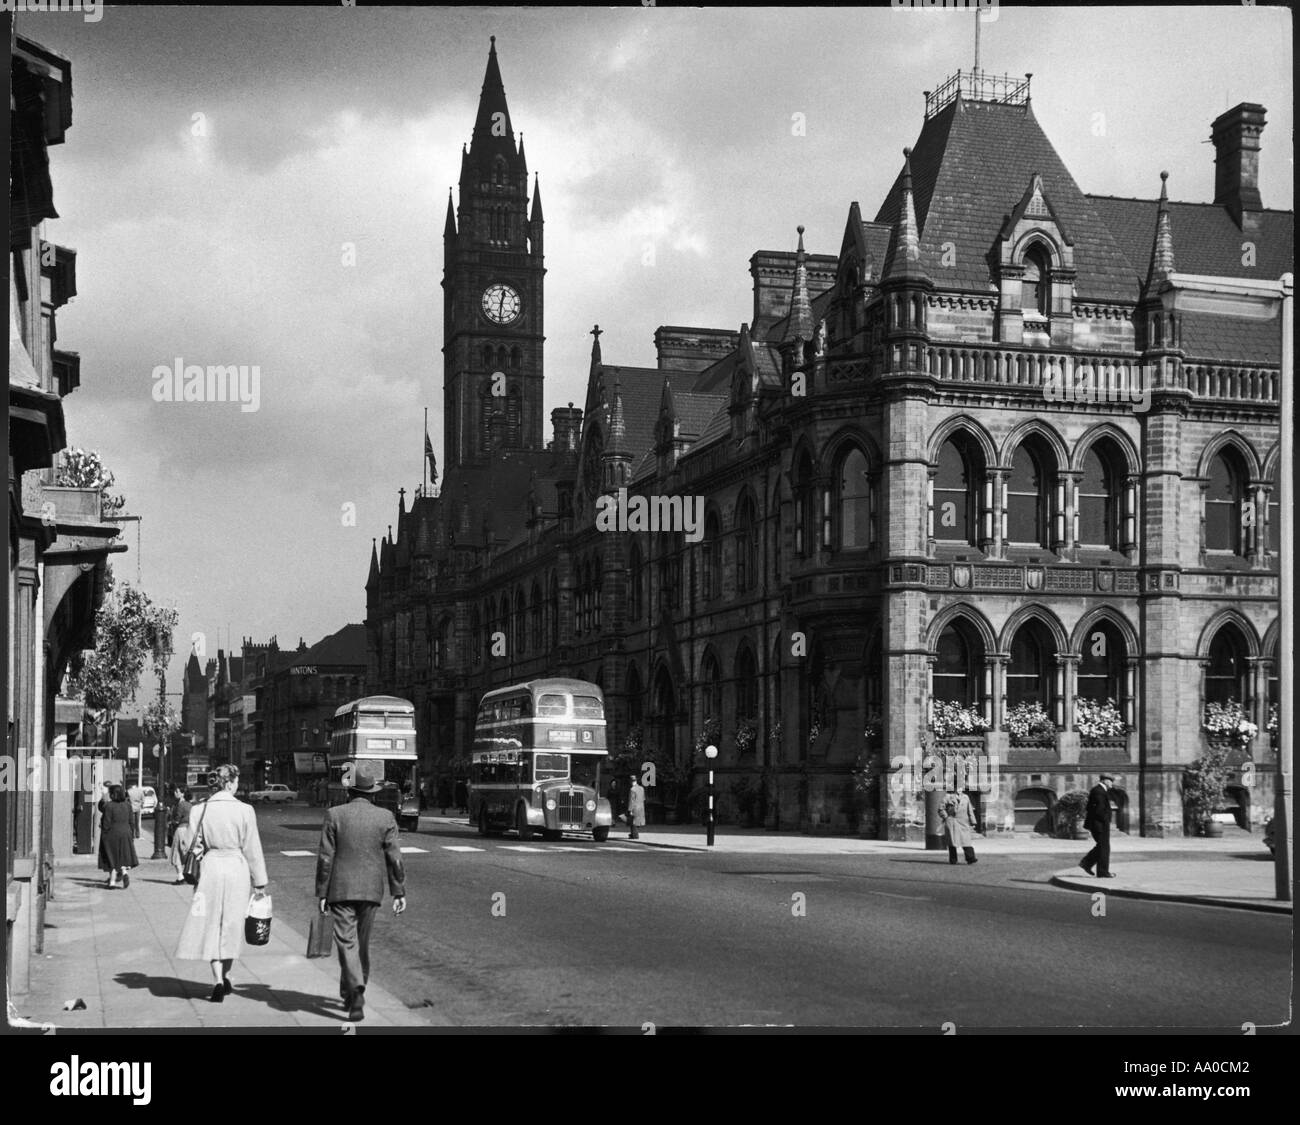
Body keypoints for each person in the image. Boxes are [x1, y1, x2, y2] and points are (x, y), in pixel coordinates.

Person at [315, 760, 406, 1022]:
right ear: (372, 793)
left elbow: (325, 858)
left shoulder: (335, 815)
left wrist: (322, 892)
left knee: (346, 943)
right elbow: (395, 858)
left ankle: (354, 991)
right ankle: (353, 990)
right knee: (361, 944)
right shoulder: (385, 817)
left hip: (340, 888)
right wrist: (398, 891)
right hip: (371, 890)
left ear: (349, 791)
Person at [174, 765, 269, 1003]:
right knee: (232, 923)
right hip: (236, 867)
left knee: (211, 923)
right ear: (230, 783)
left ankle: (217, 979)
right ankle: (226, 975)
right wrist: (260, 881)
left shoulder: (200, 809)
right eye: (236, 782)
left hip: (211, 868)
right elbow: (252, 848)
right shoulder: (246, 810)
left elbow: (190, 844)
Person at [97, 784, 139, 888]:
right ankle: (124, 873)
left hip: (112, 833)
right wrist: (131, 834)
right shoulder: (127, 805)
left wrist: (104, 833)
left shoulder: (109, 806)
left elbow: (106, 823)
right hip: (126, 832)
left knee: (112, 856)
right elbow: (131, 822)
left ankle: (112, 882)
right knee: (122, 855)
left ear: (112, 794)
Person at [1080, 774, 1116, 878]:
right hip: (1099, 824)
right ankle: (1102, 872)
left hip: (1098, 823)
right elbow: (1099, 810)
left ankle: (1087, 863)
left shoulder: (1099, 790)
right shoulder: (1099, 791)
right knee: (1104, 847)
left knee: (1102, 846)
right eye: (1110, 781)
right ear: (1105, 781)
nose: (1111, 784)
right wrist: (1105, 821)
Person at [940, 790, 978, 865]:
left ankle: (970, 858)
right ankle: (953, 860)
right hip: (952, 822)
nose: (959, 789)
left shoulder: (965, 797)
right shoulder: (947, 797)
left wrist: (973, 821)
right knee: (952, 842)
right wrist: (946, 817)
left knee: (966, 841)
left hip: (963, 822)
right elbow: (941, 809)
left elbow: (970, 810)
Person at [168, 789, 195, 883]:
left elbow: (177, 819)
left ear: (182, 794)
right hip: (190, 830)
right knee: (187, 852)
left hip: (181, 829)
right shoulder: (190, 805)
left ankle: (180, 877)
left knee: (176, 852)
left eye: (177, 791)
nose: (175, 793)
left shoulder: (181, 805)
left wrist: (171, 821)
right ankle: (189, 873)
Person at [625, 773, 645, 841]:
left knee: (633, 822)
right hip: (641, 807)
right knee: (638, 822)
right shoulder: (642, 788)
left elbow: (631, 801)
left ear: (631, 781)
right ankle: (634, 834)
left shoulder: (632, 789)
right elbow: (643, 798)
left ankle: (634, 835)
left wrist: (630, 810)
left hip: (635, 808)